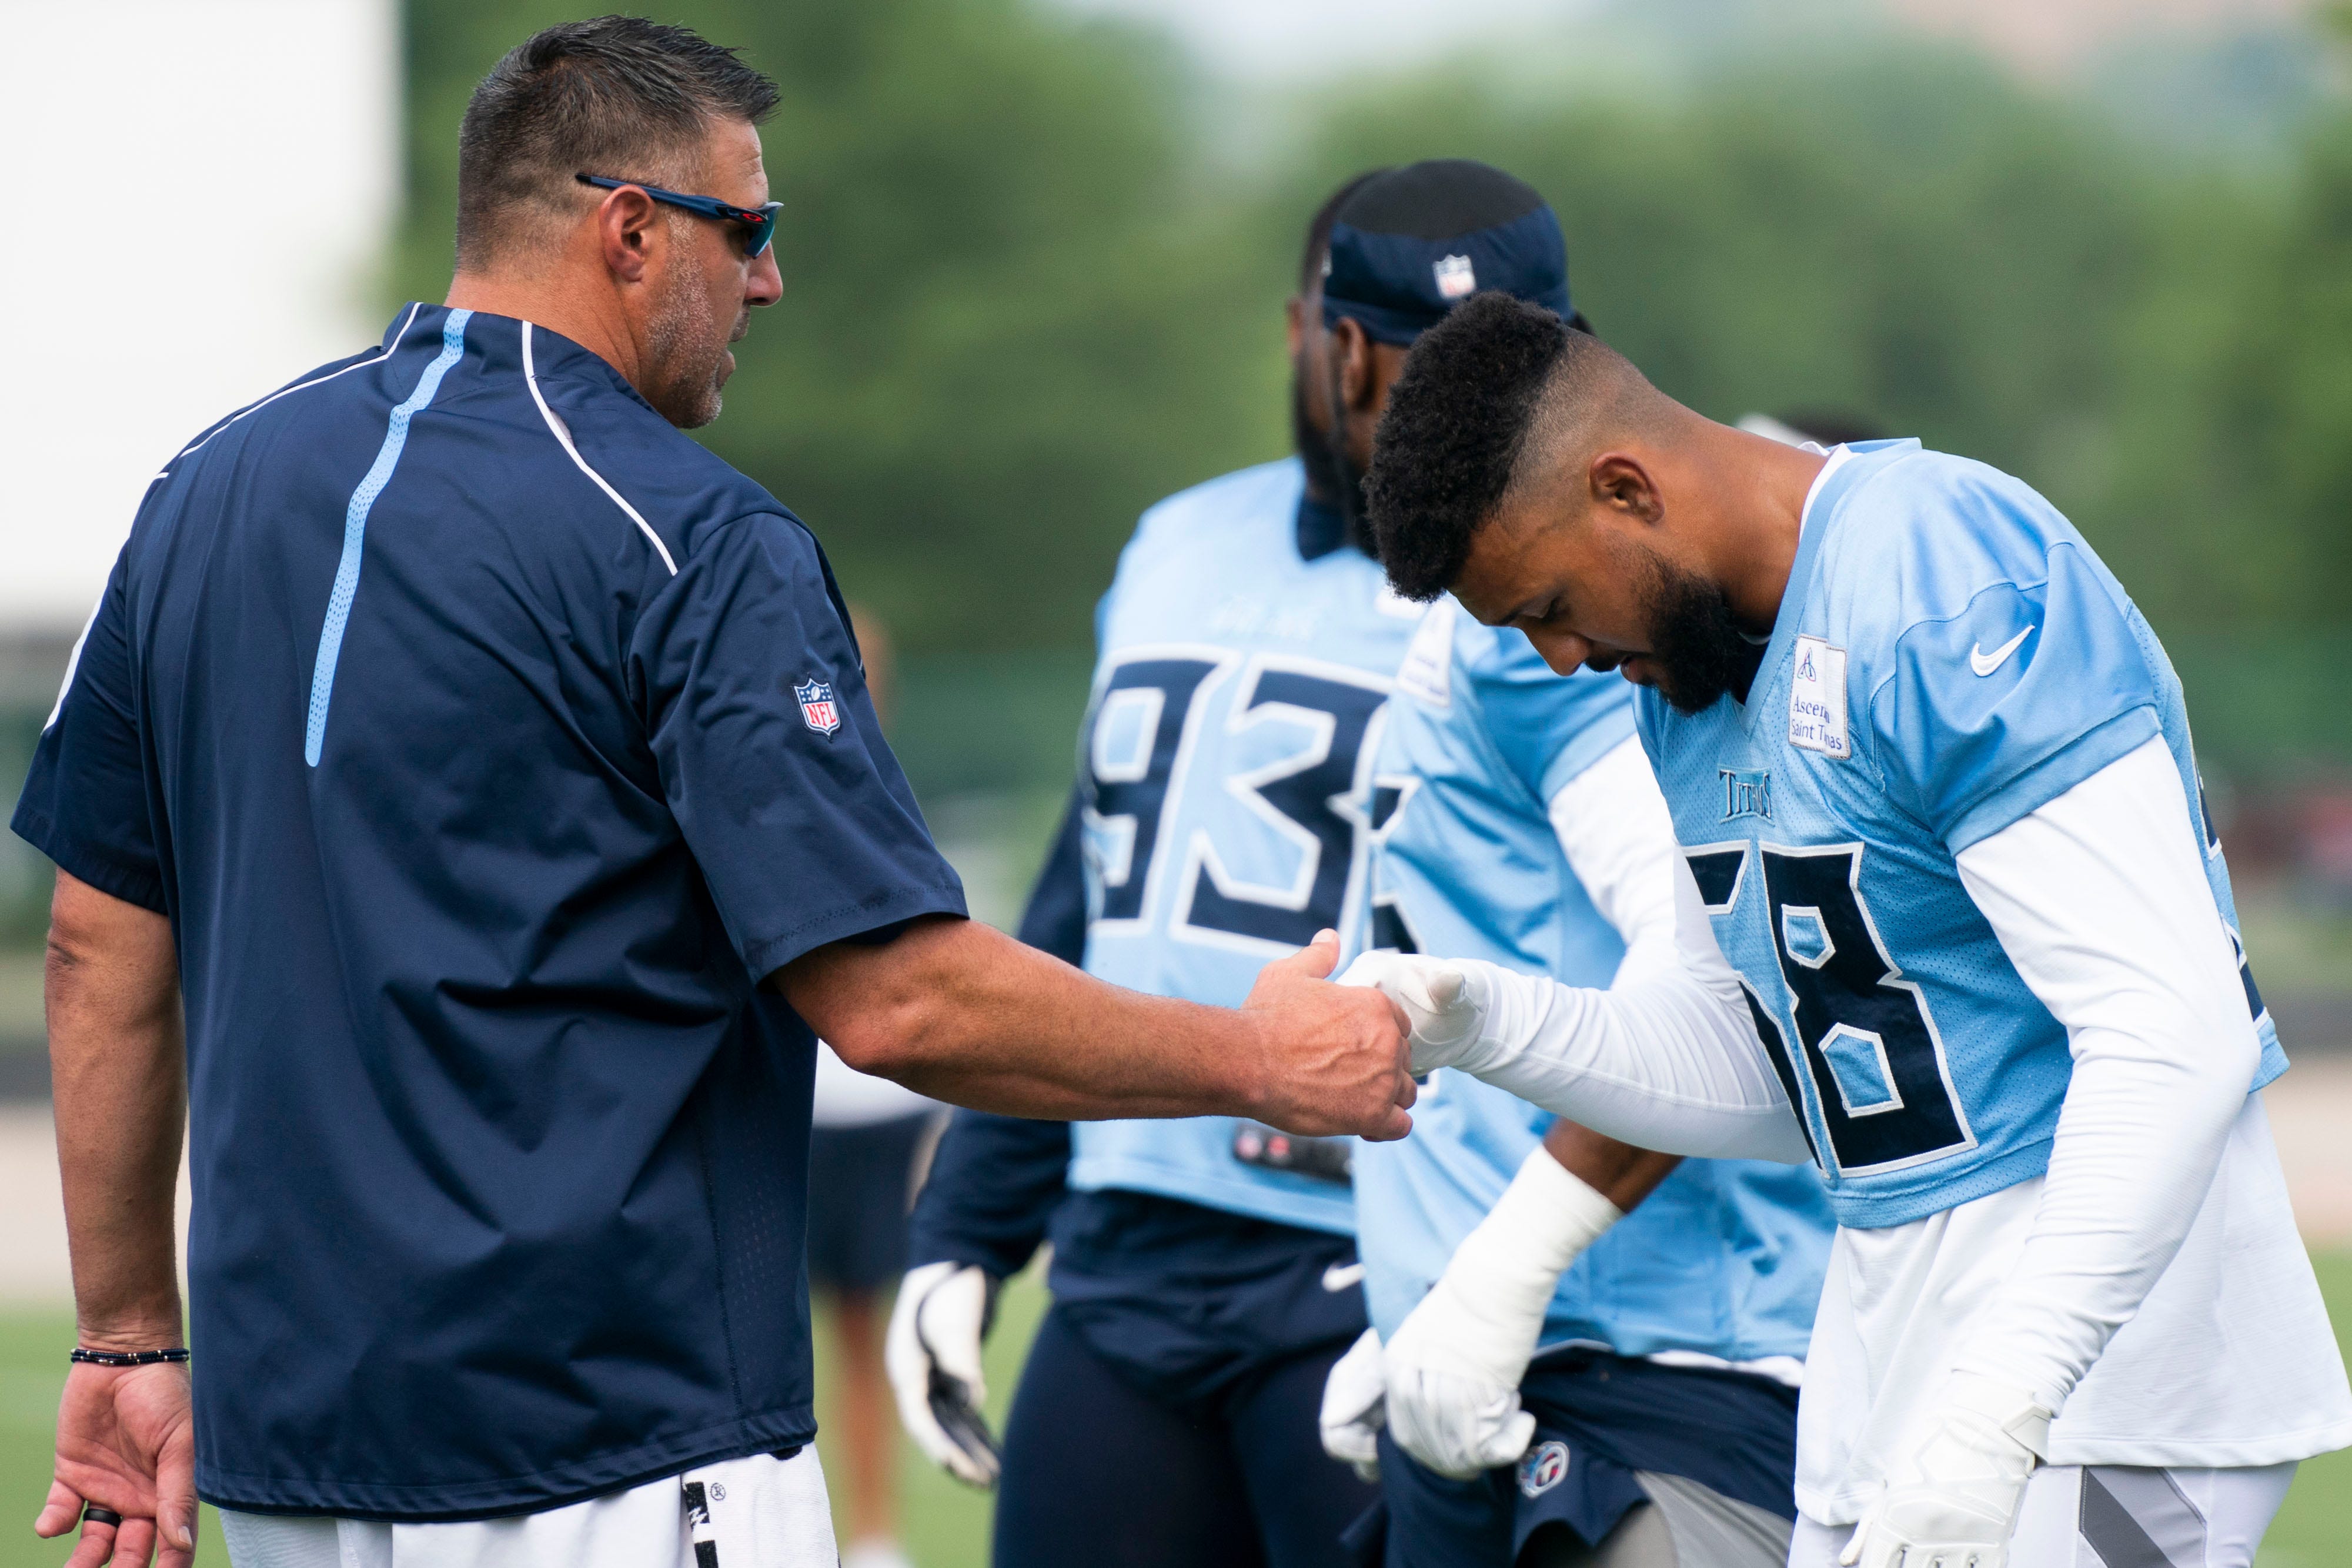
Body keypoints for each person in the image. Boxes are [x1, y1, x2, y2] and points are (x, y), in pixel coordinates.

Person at [11, 19, 1414, 1568]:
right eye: (748, 230)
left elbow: (95, 938)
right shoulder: (691, 534)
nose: (769, 282)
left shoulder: (202, 486)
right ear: (629, 228)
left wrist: (129, 1338)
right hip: (610, 1451)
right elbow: (897, 1004)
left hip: (292, 1466)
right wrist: (1264, 1058)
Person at [1342, 292, 2352, 1568]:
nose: (1556, 657)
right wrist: (1484, 1022)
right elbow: (1765, 1059)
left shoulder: (1940, 567)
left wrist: (1999, 1402)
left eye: (1547, 601)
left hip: (2109, 1365)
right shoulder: (1687, 676)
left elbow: (2172, 1027)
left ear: (1621, 487)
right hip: (1892, 1352)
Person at [884, 161, 1582, 1568]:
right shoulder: (1173, 540)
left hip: (1377, 1252)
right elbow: (1090, 911)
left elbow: (1621, 966)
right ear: (1311, 336)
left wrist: (1499, 1279)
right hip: (1126, 1238)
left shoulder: (1539, 597)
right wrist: (971, 1219)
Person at [1316, 419, 1843, 1568]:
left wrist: (1497, 1272)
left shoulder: (1907, 607)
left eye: (1549, 605)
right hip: (1526, 1364)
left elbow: (1728, 1006)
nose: (1562, 655)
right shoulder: (1640, 668)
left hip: (1675, 1370)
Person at [804, 607, 938, 1568]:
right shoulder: (759, 784)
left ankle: (874, 1537)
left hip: (878, 1108)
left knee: (862, 1334)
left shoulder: (889, 803)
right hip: (789, 1114)